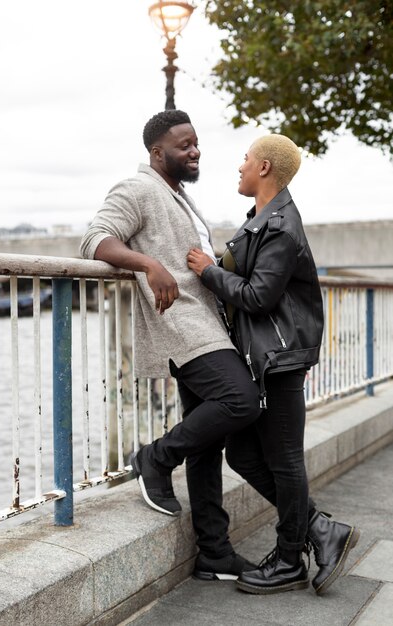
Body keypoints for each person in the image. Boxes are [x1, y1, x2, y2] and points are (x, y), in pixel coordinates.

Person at [80, 109, 263, 581]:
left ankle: (214, 552)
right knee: (241, 400)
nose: (195, 150)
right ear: (157, 152)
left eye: (196, 142)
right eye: (184, 145)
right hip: (182, 326)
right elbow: (94, 240)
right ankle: (155, 458)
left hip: (208, 323)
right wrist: (147, 264)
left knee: (208, 441)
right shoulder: (137, 188)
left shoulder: (179, 197)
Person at [187, 133, 360, 595]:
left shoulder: (281, 225)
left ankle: (289, 560)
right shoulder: (263, 220)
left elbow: (259, 297)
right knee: (243, 453)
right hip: (267, 357)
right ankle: (320, 529)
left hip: (280, 357)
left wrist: (208, 270)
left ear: (264, 168)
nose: (239, 167)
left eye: (245, 159)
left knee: (284, 459)